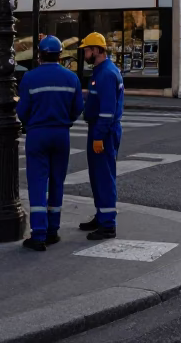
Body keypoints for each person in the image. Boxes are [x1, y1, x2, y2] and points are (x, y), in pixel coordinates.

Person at [15, 35, 83, 252]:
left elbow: (22, 110)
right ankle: (53, 229)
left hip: (37, 134)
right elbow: (77, 107)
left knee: (37, 182)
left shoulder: (30, 78)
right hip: (61, 134)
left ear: (39, 54)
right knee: (57, 181)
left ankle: (39, 234)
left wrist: (30, 122)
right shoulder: (71, 78)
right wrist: (66, 121)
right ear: (60, 54)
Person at [80, 31, 123, 240]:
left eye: (87, 50)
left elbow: (107, 111)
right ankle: (101, 215)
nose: (85, 53)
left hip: (103, 131)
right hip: (101, 129)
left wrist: (98, 136)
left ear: (96, 50)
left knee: (104, 178)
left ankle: (108, 225)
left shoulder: (105, 74)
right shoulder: (102, 70)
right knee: (98, 177)